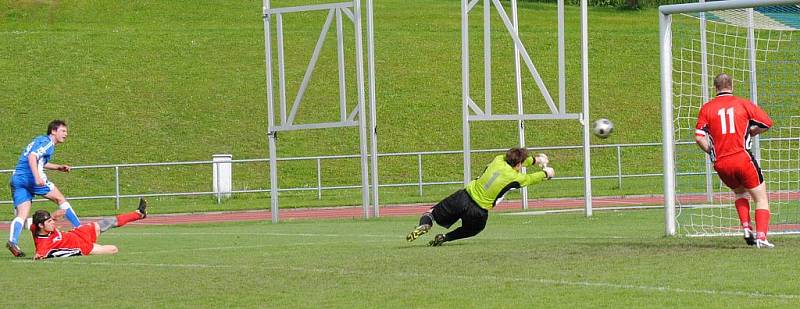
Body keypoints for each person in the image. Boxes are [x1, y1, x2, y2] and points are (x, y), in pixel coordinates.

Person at [406, 147, 555, 246]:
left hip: (463, 196)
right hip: (479, 211)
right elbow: (531, 178)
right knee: (473, 230)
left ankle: (425, 224)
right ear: (518, 164)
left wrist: (536, 160)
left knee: (431, 213)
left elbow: (518, 161)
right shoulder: (516, 178)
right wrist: (547, 173)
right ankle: (445, 238)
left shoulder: (499, 159)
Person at [695, 73, 774, 248]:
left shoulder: (707, 108)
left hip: (721, 163)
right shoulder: (742, 104)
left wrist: (711, 152)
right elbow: (767, 123)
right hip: (742, 158)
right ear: (732, 86)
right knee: (761, 198)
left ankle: (746, 227)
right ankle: (761, 236)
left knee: (739, 193)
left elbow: (699, 138)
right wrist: (752, 131)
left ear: (715, 88)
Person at [7, 120, 82, 257]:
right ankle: (80, 229)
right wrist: (36, 177)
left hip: (17, 178)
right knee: (60, 199)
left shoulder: (40, 141)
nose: (66, 134)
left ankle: (13, 241)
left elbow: (40, 161)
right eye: (63, 131)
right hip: (30, 178)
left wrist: (58, 167)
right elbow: (32, 157)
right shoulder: (48, 142)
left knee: (22, 214)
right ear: (53, 131)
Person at [30, 198, 148, 259]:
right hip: (83, 247)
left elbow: (28, 223)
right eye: (49, 222)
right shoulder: (43, 244)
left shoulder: (35, 227)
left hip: (78, 233)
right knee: (114, 249)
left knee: (107, 222)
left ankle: (139, 213)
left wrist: (53, 216)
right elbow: (39, 254)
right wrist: (38, 256)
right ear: (41, 225)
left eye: (51, 220)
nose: (53, 223)